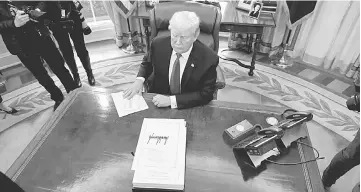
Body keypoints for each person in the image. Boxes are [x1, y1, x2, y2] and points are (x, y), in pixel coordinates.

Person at [123, 11, 218, 109]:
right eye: (175, 35)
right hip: (157, 99)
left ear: (195, 34)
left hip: (188, 106)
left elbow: (206, 94)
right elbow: (147, 63)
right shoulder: (158, 44)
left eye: (184, 37)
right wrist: (139, 80)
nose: (177, 42)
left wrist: (171, 101)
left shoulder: (209, 58)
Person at [0, 1, 77, 110]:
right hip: (19, 44)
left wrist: (37, 10)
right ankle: (57, 97)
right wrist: (13, 23)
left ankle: (74, 93)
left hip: (40, 34)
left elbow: (42, 1)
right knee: (41, 75)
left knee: (59, 67)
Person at [38, 1, 95, 87]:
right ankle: (76, 76)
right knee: (66, 51)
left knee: (81, 48)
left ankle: (89, 73)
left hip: (72, 15)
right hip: (54, 20)